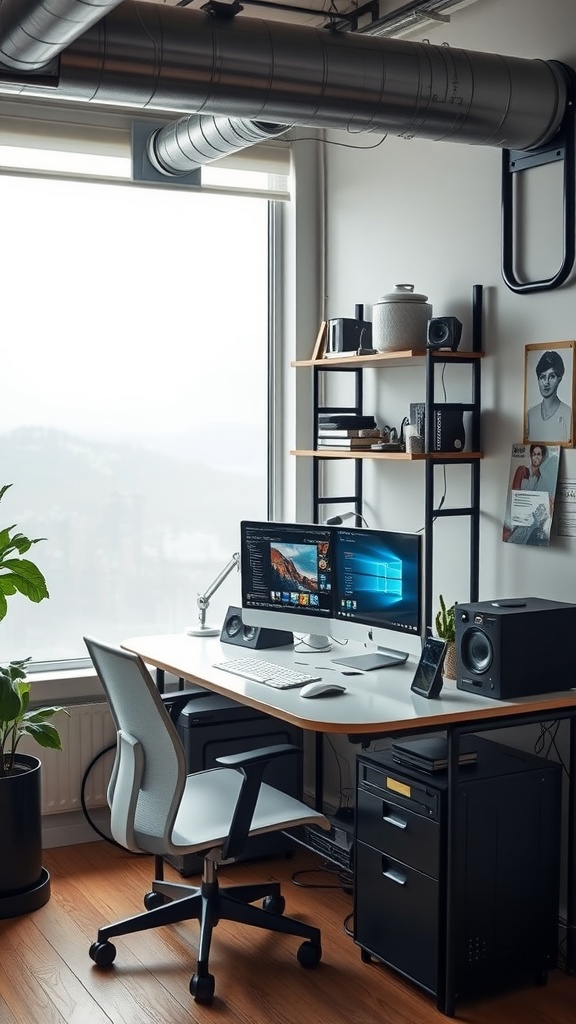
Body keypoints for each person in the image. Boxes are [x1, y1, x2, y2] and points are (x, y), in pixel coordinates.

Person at [525, 350, 572, 442]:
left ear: (559, 379)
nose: (546, 382)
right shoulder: (530, 414)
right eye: (542, 377)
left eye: (551, 377)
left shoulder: (568, 413)